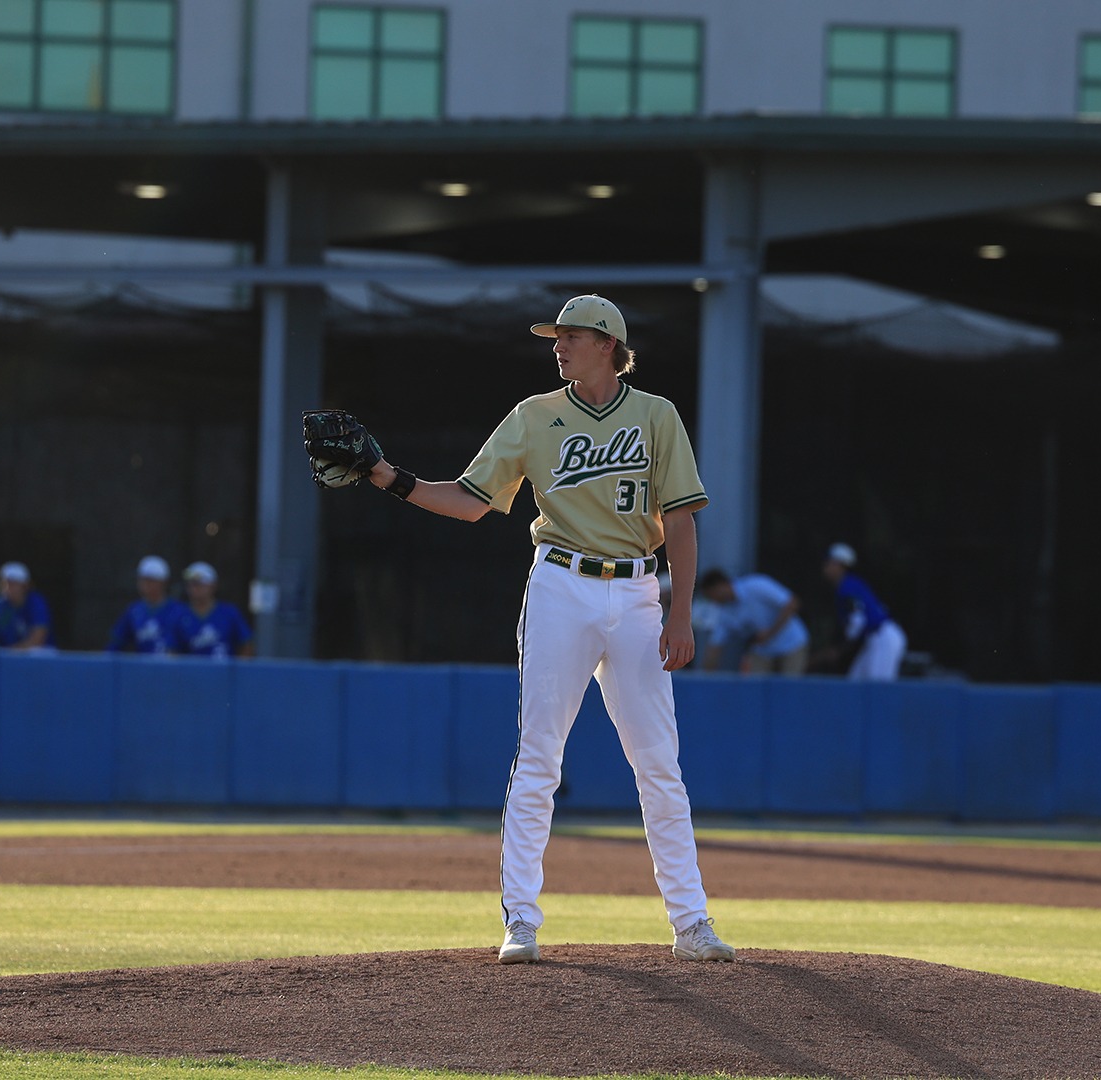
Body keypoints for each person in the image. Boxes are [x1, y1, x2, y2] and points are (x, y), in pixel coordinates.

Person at [348, 293, 735, 964]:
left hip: (640, 591)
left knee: (658, 766)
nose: (558, 345)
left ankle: (691, 924)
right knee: (539, 760)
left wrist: (680, 613)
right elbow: (471, 502)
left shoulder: (655, 415)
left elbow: (680, 520)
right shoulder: (534, 415)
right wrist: (387, 476)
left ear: (608, 344)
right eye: (555, 336)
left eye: (572, 336)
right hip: (560, 583)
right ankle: (521, 922)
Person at [698, 568, 809, 675]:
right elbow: (715, 647)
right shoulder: (723, 614)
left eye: (710, 596)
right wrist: (706, 679)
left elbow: (792, 604)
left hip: (791, 644)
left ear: (719, 586)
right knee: (753, 685)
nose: (712, 601)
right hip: (762, 650)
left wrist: (770, 633)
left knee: (790, 688)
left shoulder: (757, 585)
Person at [823, 543, 905, 680]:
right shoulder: (849, 584)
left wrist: (840, 650)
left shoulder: (847, 586)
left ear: (840, 565)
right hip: (874, 638)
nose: (825, 567)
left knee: (877, 689)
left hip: (884, 637)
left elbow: (857, 622)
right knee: (855, 682)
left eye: (830, 563)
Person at [170, 561, 253, 659]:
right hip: (191, 672)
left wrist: (238, 670)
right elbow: (172, 650)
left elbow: (246, 644)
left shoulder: (229, 613)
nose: (194, 588)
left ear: (212, 586)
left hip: (223, 671)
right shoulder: (179, 614)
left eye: (199, 584)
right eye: (191, 584)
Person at [0, 562, 53, 650]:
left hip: (35, 657)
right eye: (5, 583)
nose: (8, 588)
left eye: (14, 584)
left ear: (25, 586)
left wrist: (11, 653)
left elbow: (38, 638)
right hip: (5, 657)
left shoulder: (36, 603)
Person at [105, 555, 179, 654]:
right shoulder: (134, 610)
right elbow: (115, 642)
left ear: (163, 582)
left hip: (173, 668)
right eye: (142, 579)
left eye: (150, 580)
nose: (144, 584)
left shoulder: (178, 610)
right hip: (143, 667)